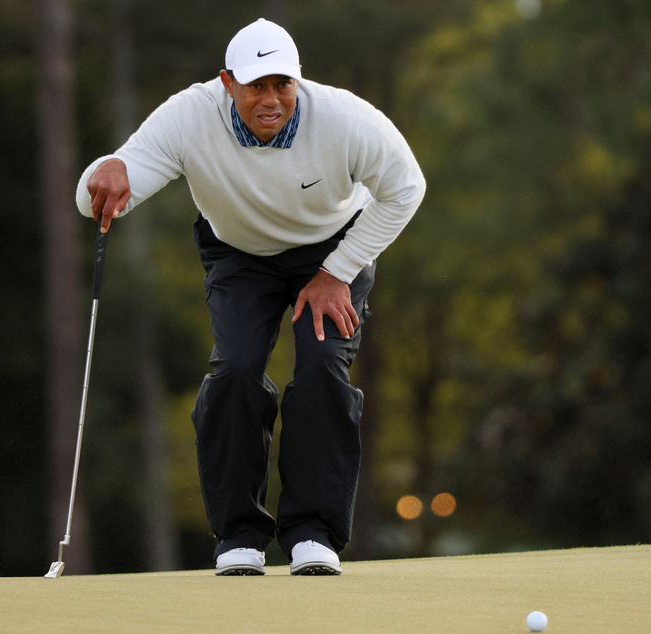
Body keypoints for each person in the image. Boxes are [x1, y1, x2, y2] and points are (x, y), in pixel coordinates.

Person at [76, 18, 425, 575]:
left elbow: (407, 189)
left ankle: (314, 535)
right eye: (255, 85)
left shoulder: (346, 120)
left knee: (320, 366)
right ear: (227, 82)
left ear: (299, 82)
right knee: (236, 369)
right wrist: (104, 172)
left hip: (334, 250)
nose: (271, 99)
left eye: (282, 84)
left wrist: (338, 271)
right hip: (239, 255)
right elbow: (105, 187)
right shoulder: (189, 115)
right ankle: (239, 536)